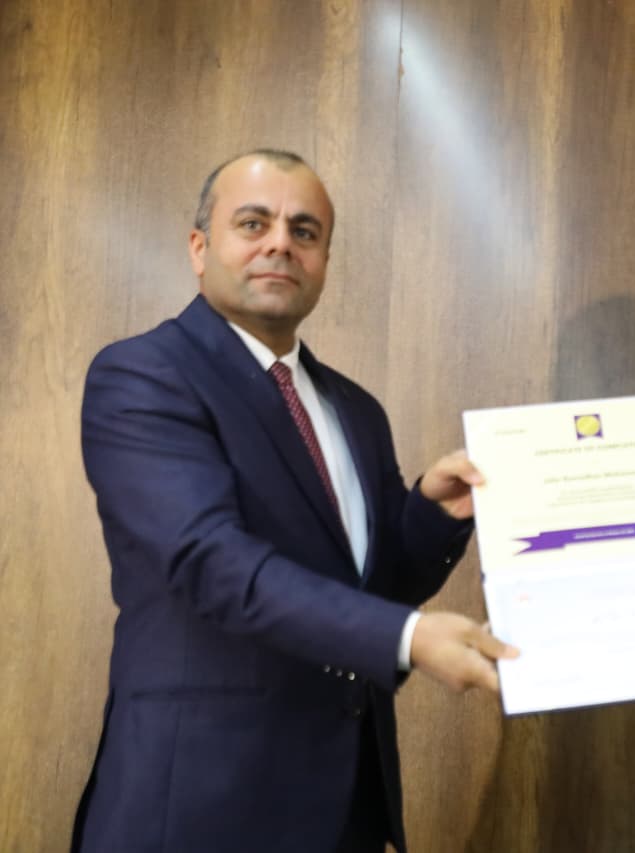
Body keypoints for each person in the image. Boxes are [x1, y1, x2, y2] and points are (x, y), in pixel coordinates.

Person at [71, 149, 517, 853]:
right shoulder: (144, 375)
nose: (281, 243)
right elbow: (209, 561)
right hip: (199, 809)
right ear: (199, 248)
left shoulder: (355, 409)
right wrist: (408, 639)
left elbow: (371, 589)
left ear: (324, 261)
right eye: (254, 223)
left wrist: (432, 514)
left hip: (345, 811)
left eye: (304, 231)